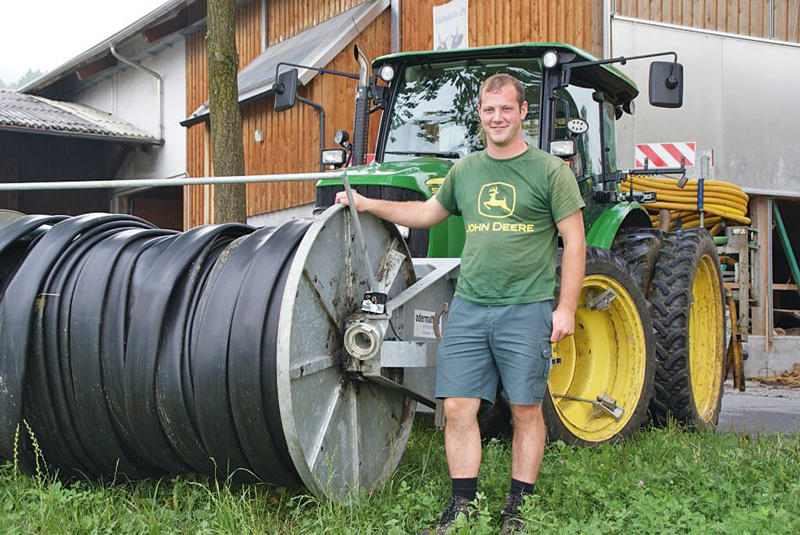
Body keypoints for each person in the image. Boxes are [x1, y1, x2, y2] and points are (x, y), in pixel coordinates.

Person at [335, 73, 586, 534]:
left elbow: (574, 241)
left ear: (522, 112)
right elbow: (428, 213)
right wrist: (369, 204)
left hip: (526, 305)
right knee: (456, 408)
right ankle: (463, 505)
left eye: (506, 109)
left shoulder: (551, 171)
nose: (497, 117)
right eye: (489, 110)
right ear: (480, 115)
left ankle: (518, 507)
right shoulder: (466, 171)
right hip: (470, 305)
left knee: (526, 410)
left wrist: (565, 308)